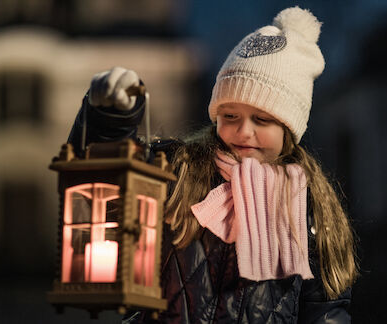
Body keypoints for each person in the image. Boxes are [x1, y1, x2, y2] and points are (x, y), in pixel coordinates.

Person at [67, 6, 358, 323]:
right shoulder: (180, 171)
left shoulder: (307, 204)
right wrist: (106, 120)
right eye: (230, 116)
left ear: (289, 129)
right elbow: (103, 181)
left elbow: (326, 311)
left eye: (261, 120)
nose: (244, 131)